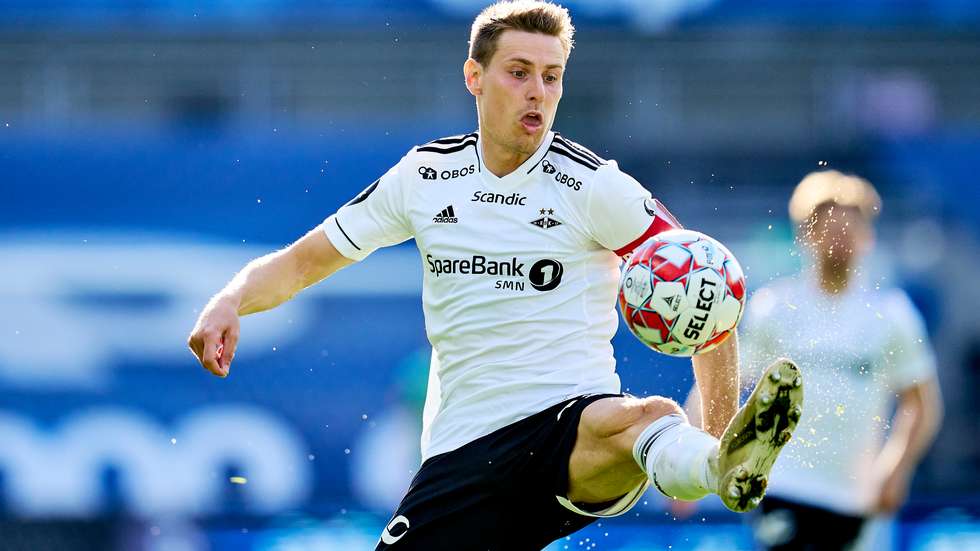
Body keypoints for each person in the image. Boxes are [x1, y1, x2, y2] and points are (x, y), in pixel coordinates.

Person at [187, 2, 803, 549]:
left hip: (570, 427)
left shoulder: (593, 186)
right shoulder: (425, 176)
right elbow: (303, 262)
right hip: (464, 449)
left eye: (551, 76)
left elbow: (705, 287)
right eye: (519, 72)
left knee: (643, 417)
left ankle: (715, 466)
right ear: (474, 77)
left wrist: (719, 436)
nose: (538, 91)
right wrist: (231, 300)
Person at [733, 170, 943, 550]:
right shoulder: (773, 308)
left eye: (850, 229)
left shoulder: (892, 314)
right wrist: (698, 457)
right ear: (805, 236)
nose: (839, 239)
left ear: (868, 237)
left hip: (857, 498)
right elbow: (730, 386)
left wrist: (896, 468)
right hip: (782, 486)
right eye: (828, 230)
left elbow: (921, 404)